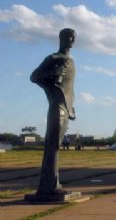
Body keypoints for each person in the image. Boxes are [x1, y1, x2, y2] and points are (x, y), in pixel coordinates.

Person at [30, 28, 76, 195]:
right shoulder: (53, 58)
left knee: (55, 145)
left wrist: (71, 105)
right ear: (61, 38)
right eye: (69, 37)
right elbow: (34, 77)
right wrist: (52, 74)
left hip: (66, 106)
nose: (72, 40)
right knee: (53, 146)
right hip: (56, 106)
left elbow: (69, 88)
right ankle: (49, 186)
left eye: (73, 38)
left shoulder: (71, 61)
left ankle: (51, 184)